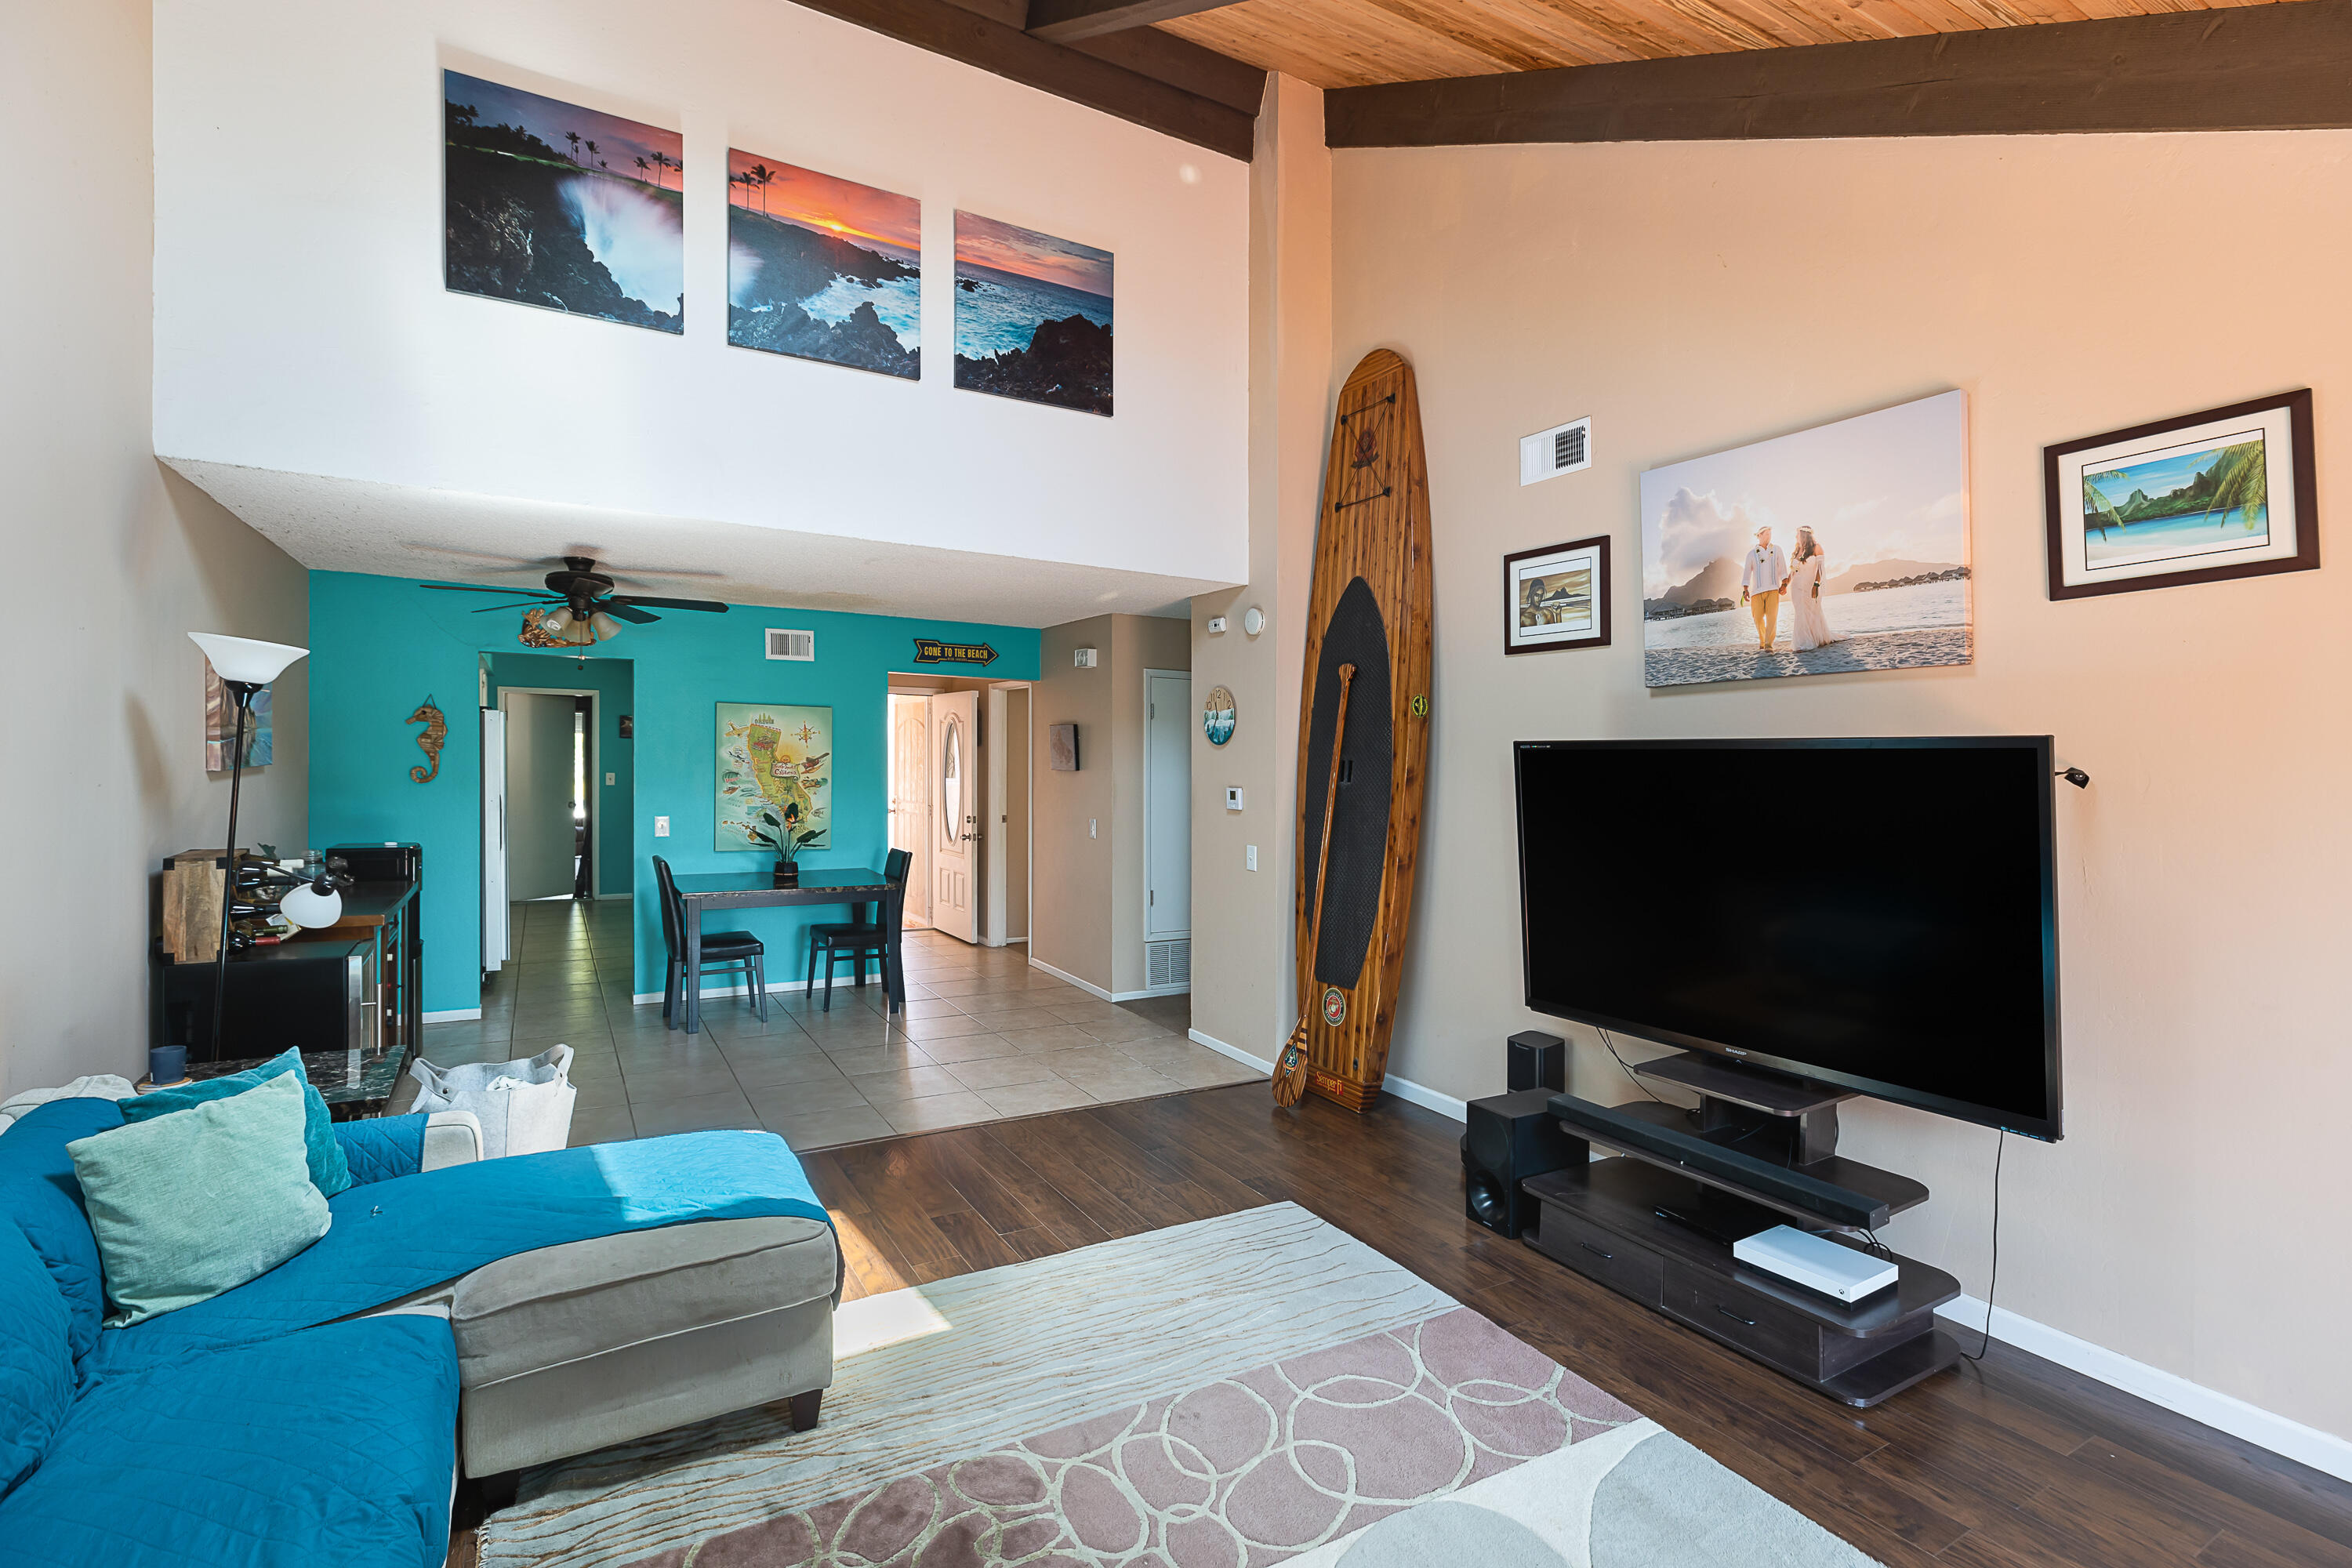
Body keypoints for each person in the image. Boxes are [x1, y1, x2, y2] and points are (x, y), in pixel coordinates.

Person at [1788, 525, 1846, 652]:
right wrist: (1785, 584)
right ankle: (1803, 642)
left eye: (1797, 534)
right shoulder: (1798, 550)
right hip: (1796, 587)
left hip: (1810, 586)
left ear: (1804, 535)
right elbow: (1793, 571)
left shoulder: (1816, 548)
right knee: (1800, 613)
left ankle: (1816, 638)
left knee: (1813, 612)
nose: (1795, 537)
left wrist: (1816, 585)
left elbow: (1820, 570)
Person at [1739, 524, 1790, 652]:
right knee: (1758, 618)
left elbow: (1783, 567)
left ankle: (1768, 644)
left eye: (1770, 534)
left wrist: (1784, 584)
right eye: (1766, 534)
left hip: (1773, 589)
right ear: (1759, 536)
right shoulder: (1751, 554)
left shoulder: (1777, 549)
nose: (1769, 536)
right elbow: (1747, 572)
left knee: (1772, 617)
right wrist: (1745, 589)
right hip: (1756, 591)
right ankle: (1762, 640)